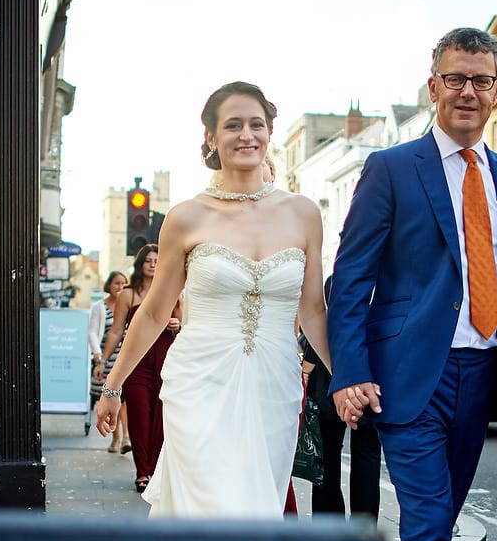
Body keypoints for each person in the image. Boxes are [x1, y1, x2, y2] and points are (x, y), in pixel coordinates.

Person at [327, 27, 497, 541]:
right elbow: (352, 278)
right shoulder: (392, 168)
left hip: (479, 376)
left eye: (481, 79)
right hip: (409, 377)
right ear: (432, 85)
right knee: (428, 522)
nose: (467, 91)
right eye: (454, 78)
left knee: (433, 530)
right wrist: (350, 370)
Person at [95, 81, 330, 517]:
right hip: (199, 385)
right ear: (210, 137)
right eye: (233, 125)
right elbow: (152, 313)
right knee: (207, 509)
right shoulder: (186, 218)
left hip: (275, 389)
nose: (247, 135)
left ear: (269, 132)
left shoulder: (303, 214)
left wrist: (349, 379)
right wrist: (113, 387)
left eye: (256, 124)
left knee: (260, 508)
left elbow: (314, 310)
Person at [98, 245, 178, 491]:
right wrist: (103, 361)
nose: (153, 264)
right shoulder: (128, 295)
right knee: (140, 415)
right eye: (148, 260)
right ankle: (143, 471)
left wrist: (178, 325)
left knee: (162, 418)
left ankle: (156, 469)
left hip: (166, 358)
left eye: (157, 260)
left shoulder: (172, 290)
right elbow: (116, 331)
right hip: (138, 363)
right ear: (140, 264)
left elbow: (186, 323)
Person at [302, 277, 381, 520]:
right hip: (372, 376)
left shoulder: (339, 281)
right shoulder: (387, 281)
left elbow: (323, 324)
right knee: (367, 459)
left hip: (330, 375)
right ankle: (363, 531)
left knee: (326, 457)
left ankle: (328, 529)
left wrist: (306, 368)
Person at [89, 270, 130, 453]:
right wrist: (98, 355)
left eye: (123, 283)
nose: (119, 287)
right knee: (112, 396)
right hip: (108, 356)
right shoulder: (100, 307)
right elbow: (92, 332)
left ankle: (126, 437)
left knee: (125, 399)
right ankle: (115, 438)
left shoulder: (130, 304)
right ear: (109, 285)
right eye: (116, 283)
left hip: (125, 356)